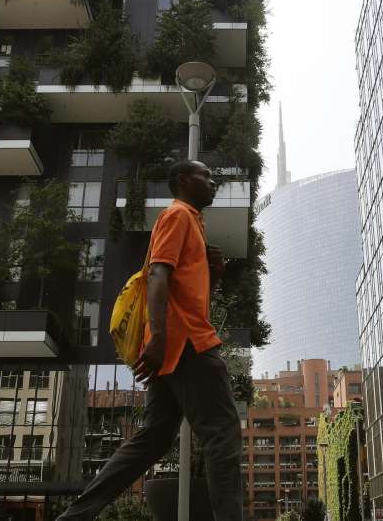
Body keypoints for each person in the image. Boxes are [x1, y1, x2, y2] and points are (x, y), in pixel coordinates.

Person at [57, 159, 243, 521]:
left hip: (174, 349)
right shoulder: (178, 216)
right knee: (223, 434)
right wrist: (156, 337)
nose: (213, 181)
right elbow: (158, 275)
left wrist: (213, 273)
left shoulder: (193, 224)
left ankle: (74, 517)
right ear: (184, 181)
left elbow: (186, 296)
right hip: (187, 345)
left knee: (152, 440)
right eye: (206, 176)